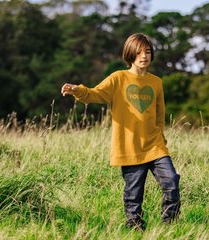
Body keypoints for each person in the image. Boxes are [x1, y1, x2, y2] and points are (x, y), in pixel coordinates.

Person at [61, 33, 180, 231]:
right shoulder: (118, 78)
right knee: (133, 196)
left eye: (148, 52)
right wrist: (77, 90)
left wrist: (161, 139)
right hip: (129, 146)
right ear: (130, 54)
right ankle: (135, 228)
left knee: (172, 181)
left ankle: (170, 225)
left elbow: (160, 115)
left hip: (154, 145)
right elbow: (95, 94)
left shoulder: (156, 82)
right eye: (139, 52)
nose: (144, 56)